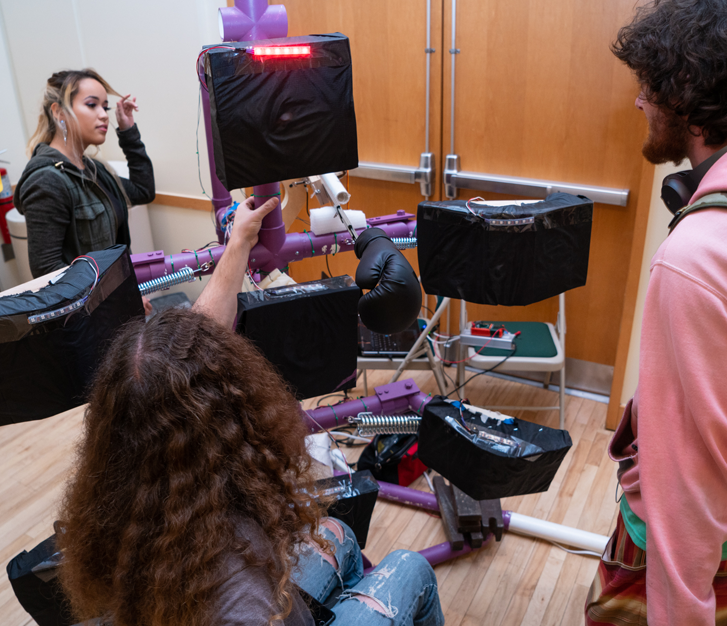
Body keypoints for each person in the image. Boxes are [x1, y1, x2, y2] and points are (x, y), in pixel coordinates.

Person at [55, 195, 444, 626]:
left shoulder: (124, 495)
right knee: (410, 568)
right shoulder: (243, 599)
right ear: (222, 421)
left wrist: (239, 240)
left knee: (342, 537)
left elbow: (186, 359)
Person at [585, 0, 727, 625]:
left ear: (686, 96)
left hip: (684, 551)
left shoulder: (700, 257)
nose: (639, 102)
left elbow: (688, 480)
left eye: (648, 87)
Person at [13, 69, 156, 312]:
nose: (103, 115)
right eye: (92, 105)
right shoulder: (47, 180)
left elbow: (143, 191)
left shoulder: (94, 170)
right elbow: (48, 271)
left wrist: (128, 131)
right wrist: (116, 298)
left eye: (106, 107)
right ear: (59, 112)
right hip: (89, 320)